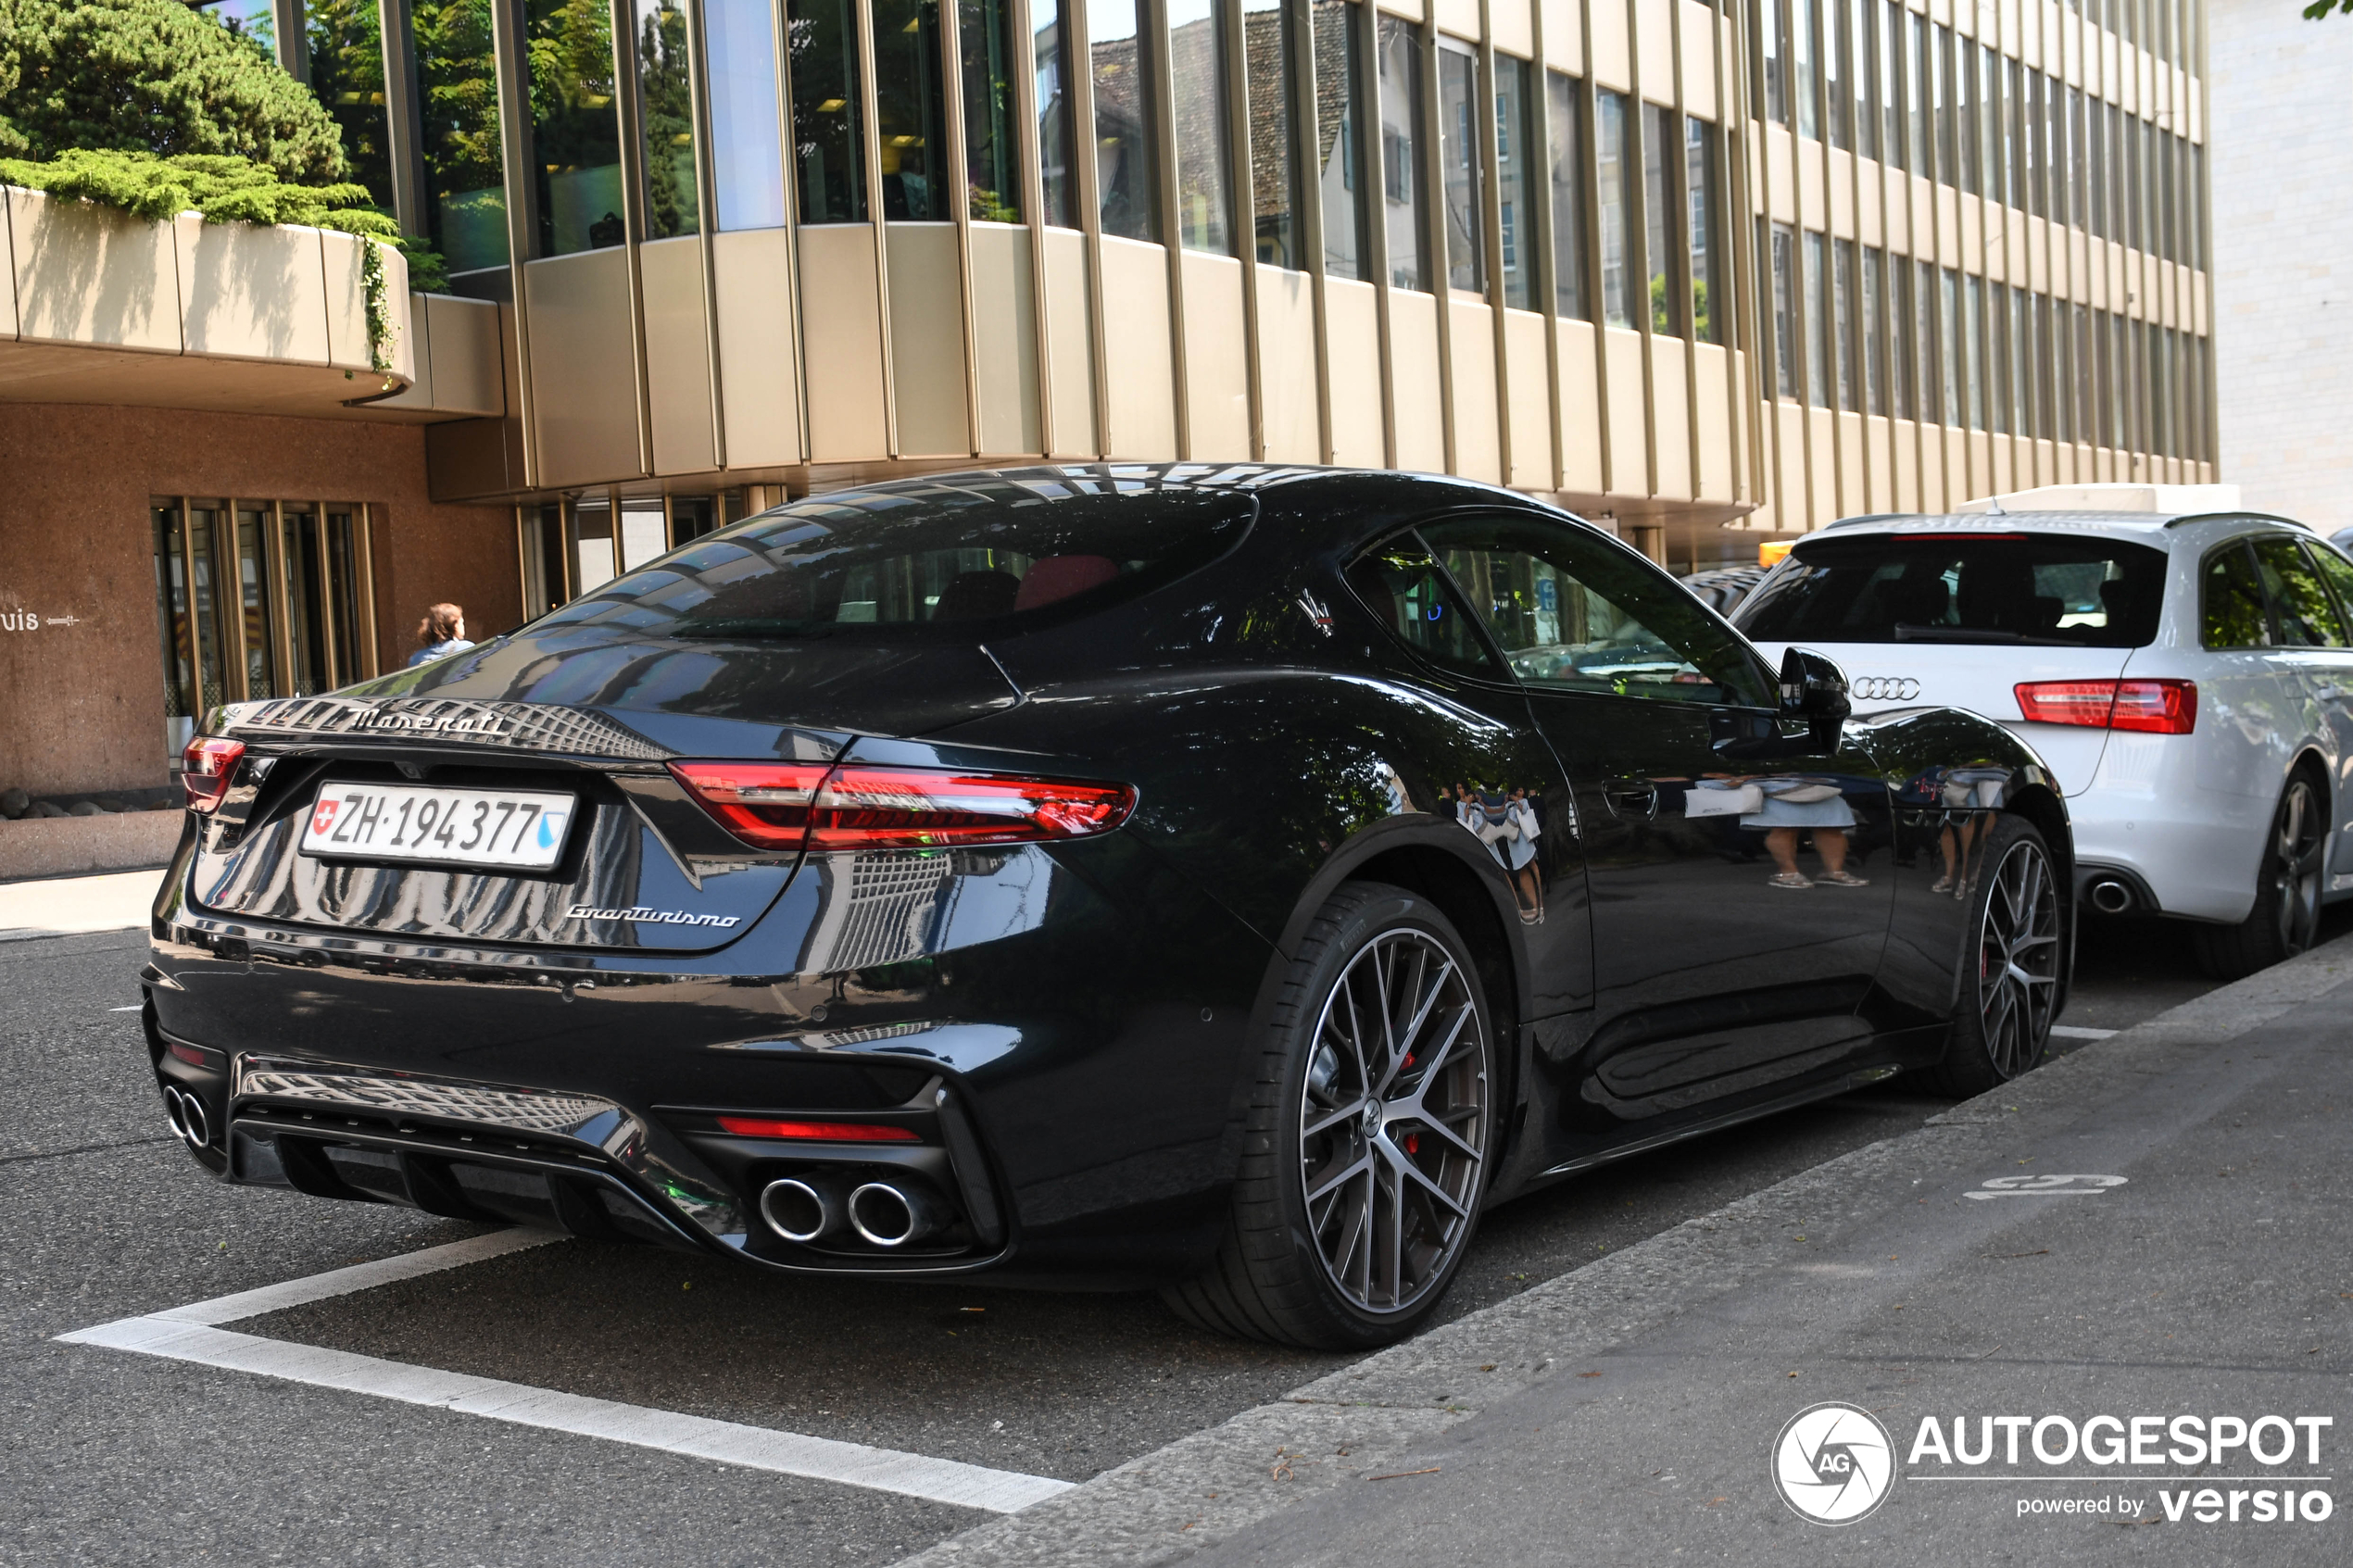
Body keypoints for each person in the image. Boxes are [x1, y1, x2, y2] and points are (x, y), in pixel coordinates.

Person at [407, 603, 475, 667]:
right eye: (462, 622)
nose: (463, 626)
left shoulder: (415, 659)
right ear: (455, 625)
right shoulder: (466, 647)